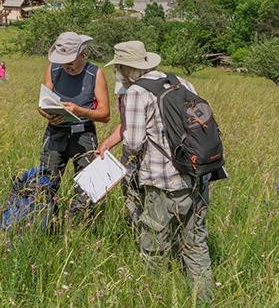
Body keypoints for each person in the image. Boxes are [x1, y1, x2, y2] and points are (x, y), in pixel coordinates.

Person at [97, 41, 214, 303]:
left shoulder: (137, 92)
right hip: (197, 175)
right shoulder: (179, 81)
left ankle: (155, 298)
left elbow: (134, 142)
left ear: (125, 68)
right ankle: (204, 300)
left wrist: (123, 168)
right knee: (195, 245)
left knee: (154, 248)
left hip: (163, 182)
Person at [39, 32, 110, 215]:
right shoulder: (53, 69)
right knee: (47, 182)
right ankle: (49, 224)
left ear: (82, 54)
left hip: (83, 134)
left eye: (70, 61)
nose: (66, 66)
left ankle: (79, 223)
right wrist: (48, 115)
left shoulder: (95, 73)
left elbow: (105, 114)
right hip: (55, 132)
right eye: (62, 61)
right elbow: (42, 104)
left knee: (87, 186)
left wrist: (79, 111)